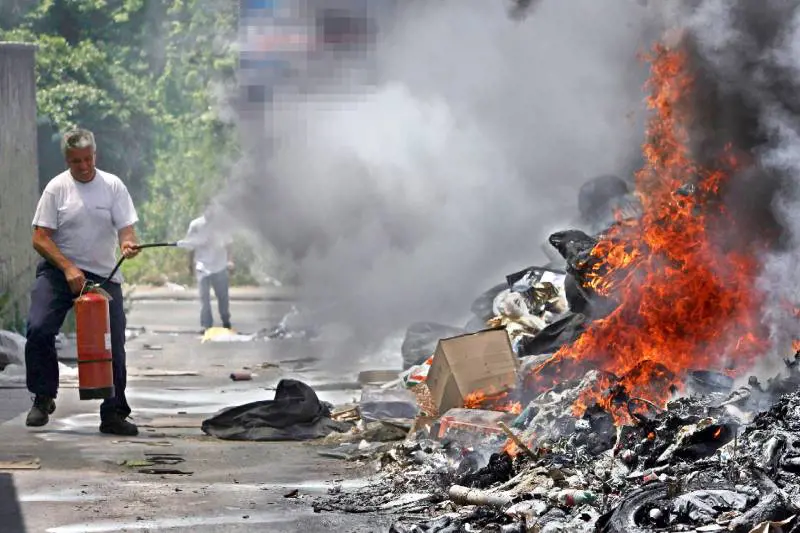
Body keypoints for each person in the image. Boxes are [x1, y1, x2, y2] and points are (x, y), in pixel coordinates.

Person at [25, 128, 140, 436]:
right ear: (68, 160)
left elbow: (126, 229)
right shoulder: (56, 189)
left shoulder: (112, 186)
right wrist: (67, 267)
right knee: (38, 327)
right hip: (59, 273)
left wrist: (128, 244)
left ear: (95, 155)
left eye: (88, 159)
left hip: (104, 274)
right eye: (77, 162)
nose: (84, 166)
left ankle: (113, 413)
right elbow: (40, 237)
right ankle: (43, 396)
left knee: (113, 341)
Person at [179, 206, 233, 332]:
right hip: (202, 266)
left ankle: (226, 320)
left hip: (220, 266)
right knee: (204, 298)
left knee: (223, 297)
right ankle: (207, 325)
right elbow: (190, 245)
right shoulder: (196, 225)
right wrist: (190, 265)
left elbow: (229, 244)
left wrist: (230, 261)